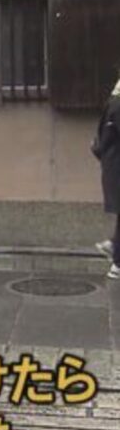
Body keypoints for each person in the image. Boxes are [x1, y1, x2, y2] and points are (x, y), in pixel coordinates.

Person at [92, 77, 120, 280]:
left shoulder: (112, 104)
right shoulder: (118, 107)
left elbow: (99, 143)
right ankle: (117, 261)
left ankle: (114, 246)